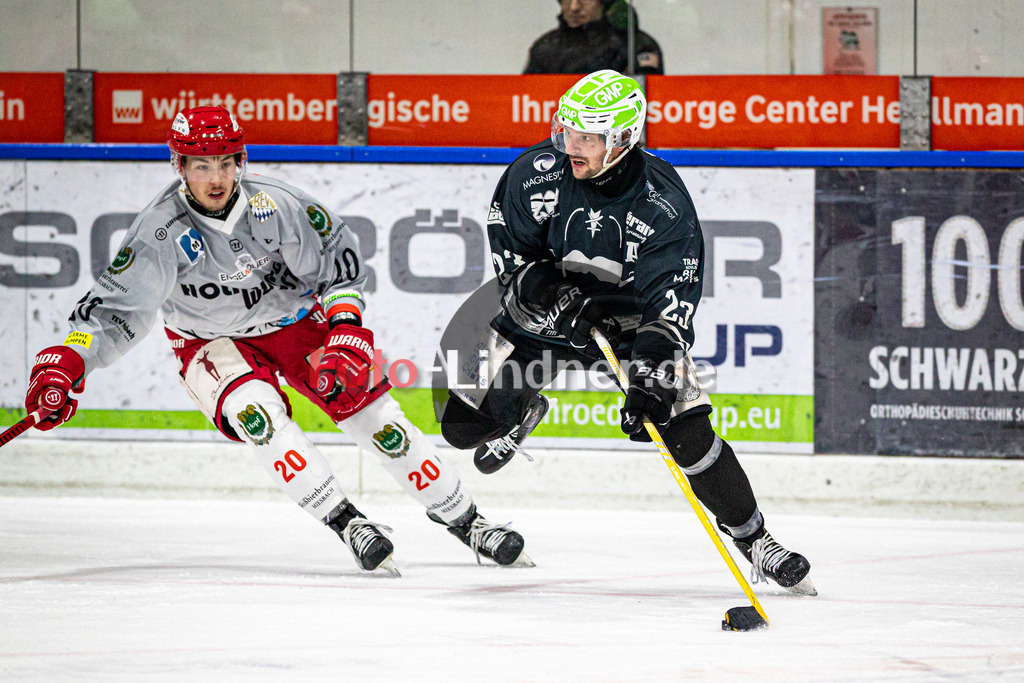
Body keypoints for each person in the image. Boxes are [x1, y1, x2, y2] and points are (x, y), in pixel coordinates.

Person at [22, 106, 531, 575]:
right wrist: (67, 361)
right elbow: (113, 310)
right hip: (208, 344)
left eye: (225, 162)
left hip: (296, 326)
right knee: (258, 419)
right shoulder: (158, 233)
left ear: (241, 160)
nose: (216, 178)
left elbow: (341, 268)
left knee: (381, 423)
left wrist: (347, 331)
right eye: (201, 166)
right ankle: (348, 523)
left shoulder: (281, 206)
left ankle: (469, 522)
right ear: (179, 167)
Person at [439, 70, 815, 595]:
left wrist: (650, 379)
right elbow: (513, 261)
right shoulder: (533, 175)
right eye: (568, 132)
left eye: (588, 138)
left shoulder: (663, 203)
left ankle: (757, 541)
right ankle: (524, 406)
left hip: (629, 329)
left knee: (684, 433)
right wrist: (550, 293)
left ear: (622, 140)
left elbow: (670, 310)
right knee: (459, 427)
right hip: (545, 320)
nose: (573, 147)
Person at [524, 0, 663, 75]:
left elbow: (649, 101)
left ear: (602, 2)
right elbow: (525, 98)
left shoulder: (634, 44)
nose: (574, 7)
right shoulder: (545, 48)